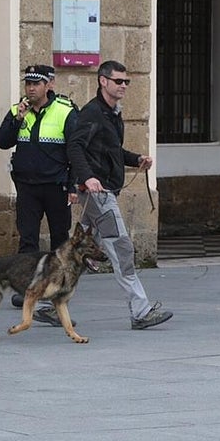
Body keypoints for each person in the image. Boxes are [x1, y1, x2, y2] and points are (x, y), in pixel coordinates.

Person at [67, 60, 173, 330]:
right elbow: (75, 147)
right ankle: (140, 310)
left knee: (74, 251)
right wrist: (88, 177)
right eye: (118, 81)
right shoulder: (92, 113)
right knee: (121, 248)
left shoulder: (112, 114)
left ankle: (47, 304)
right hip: (100, 194)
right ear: (103, 81)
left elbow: (111, 151)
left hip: (100, 191)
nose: (123, 85)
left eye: (126, 82)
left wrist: (136, 159)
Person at [0, 64, 79, 325]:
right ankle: (27, 289)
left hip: (55, 185)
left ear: (49, 85)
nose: (31, 88)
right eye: (28, 83)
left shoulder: (65, 111)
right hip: (27, 186)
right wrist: (17, 118)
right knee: (27, 239)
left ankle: (56, 288)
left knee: (59, 238)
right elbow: (2, 141)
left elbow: (75, 151)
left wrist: (73, 185)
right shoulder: (17, 110)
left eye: (36, 83)